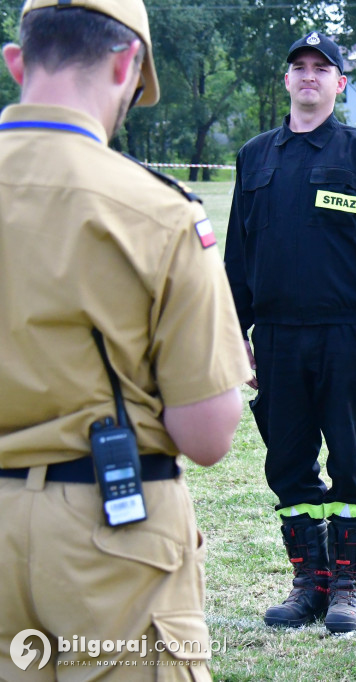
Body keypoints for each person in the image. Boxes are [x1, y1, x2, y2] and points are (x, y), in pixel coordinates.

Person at [0, 0, 249, 677]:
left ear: (16, 61)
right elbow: (207, 435)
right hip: (112, 530)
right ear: (126, 64)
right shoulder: (159, 212)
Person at [224, 30, 356, 635]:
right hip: (276, 337)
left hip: (346, 335)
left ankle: (349, 587)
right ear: (286, 80)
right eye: (298, 67)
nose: (308, 76)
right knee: (288, 465)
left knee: (350, 464)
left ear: (339, 83)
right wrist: (234, 331)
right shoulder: (255, 156)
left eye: (320, 68)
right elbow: (237, 254)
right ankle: (311, 582)